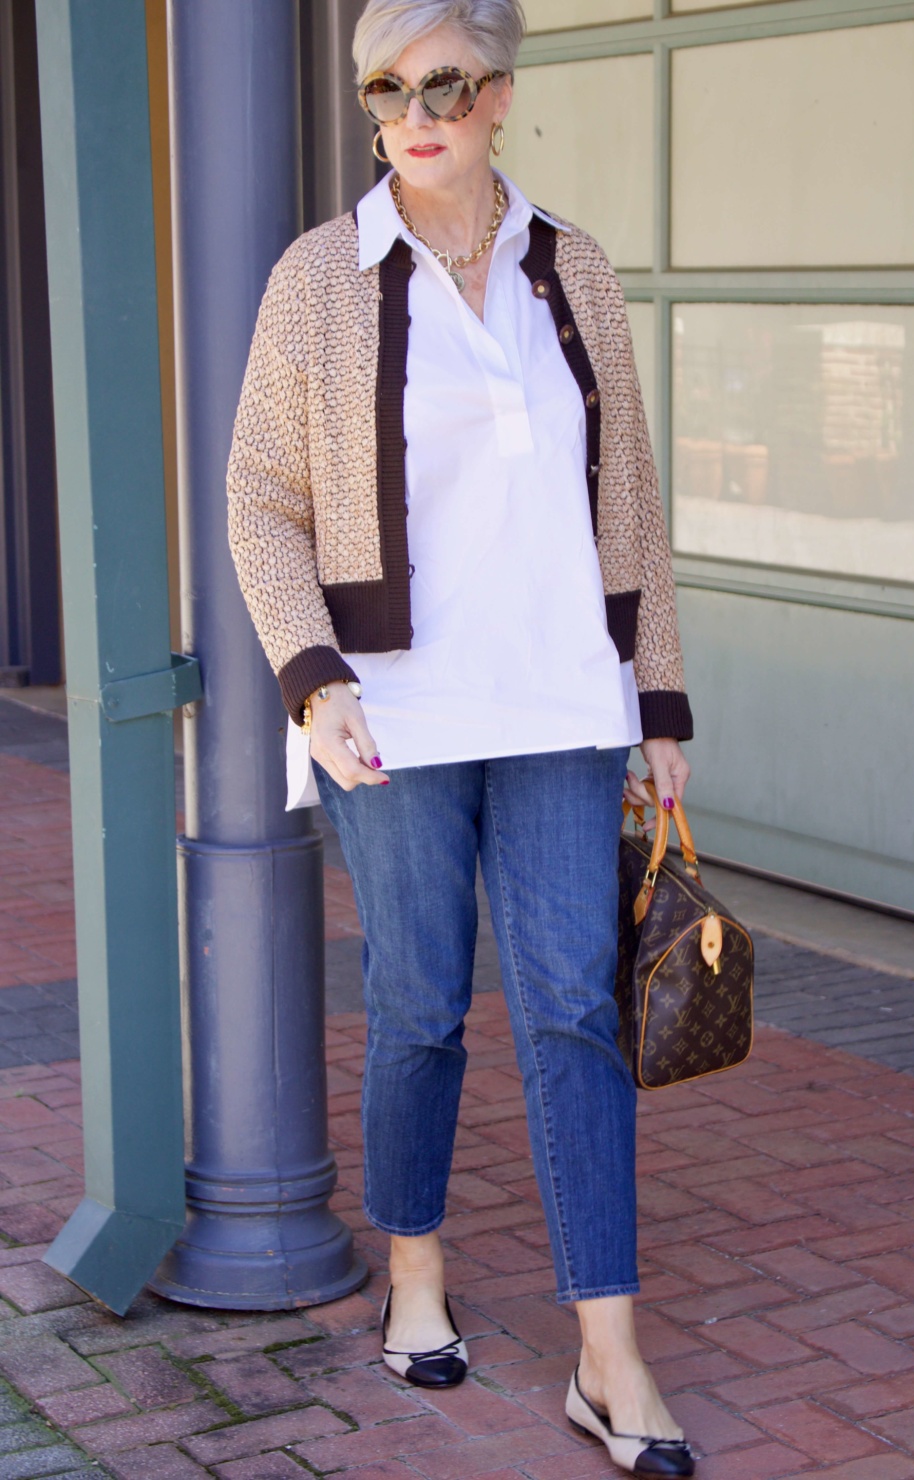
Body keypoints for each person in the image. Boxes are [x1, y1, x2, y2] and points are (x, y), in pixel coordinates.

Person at [228, 1, 694, 1472]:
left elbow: (631, 498)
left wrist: (659, 698)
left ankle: (607, 1351)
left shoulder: (578, 268)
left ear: (499, 89)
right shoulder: (321, 276)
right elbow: (261, 499)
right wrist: (314, 675)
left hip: (562, 700)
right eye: (383, 86)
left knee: (570, 1005)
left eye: (443, 83)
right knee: (423, 1000)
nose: (412, 112)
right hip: (397, 712)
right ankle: (415, 1271)